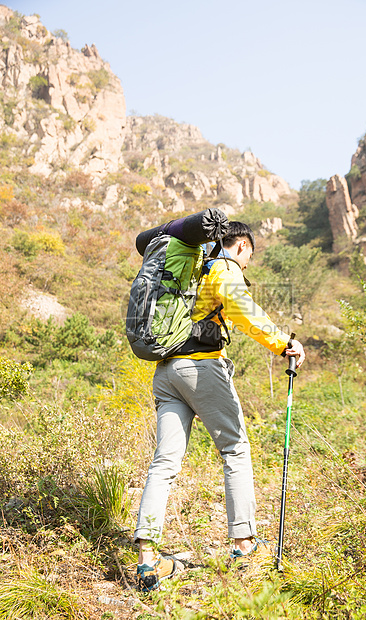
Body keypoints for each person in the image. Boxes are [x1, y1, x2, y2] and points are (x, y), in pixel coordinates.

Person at [134, 221, 305, 592]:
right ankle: (244, 546)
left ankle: (147, 560)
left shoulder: (193, 268)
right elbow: (242, 309)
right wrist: (281, 343)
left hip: (166, 371)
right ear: (241, 246)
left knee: (164, 462)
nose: (246, 268)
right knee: (236, 449)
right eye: (249, 260)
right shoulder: (224, 268)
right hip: (200, 368)